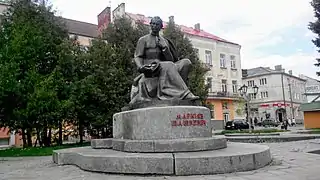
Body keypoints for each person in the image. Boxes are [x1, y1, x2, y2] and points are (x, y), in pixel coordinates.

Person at [130, 16, 199, 104]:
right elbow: (137, 56)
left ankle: (178, 92)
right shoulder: (143, 40)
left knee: (186, 62)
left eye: (157, 24)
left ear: (160, 27)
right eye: (153, 24)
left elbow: (171, 60)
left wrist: (165, 48)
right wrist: (140, 67)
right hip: (151, 68)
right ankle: (185, 94)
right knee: (168, 65)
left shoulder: (165, 41)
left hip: (164, 66)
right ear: (150, 25)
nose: (154, 26)